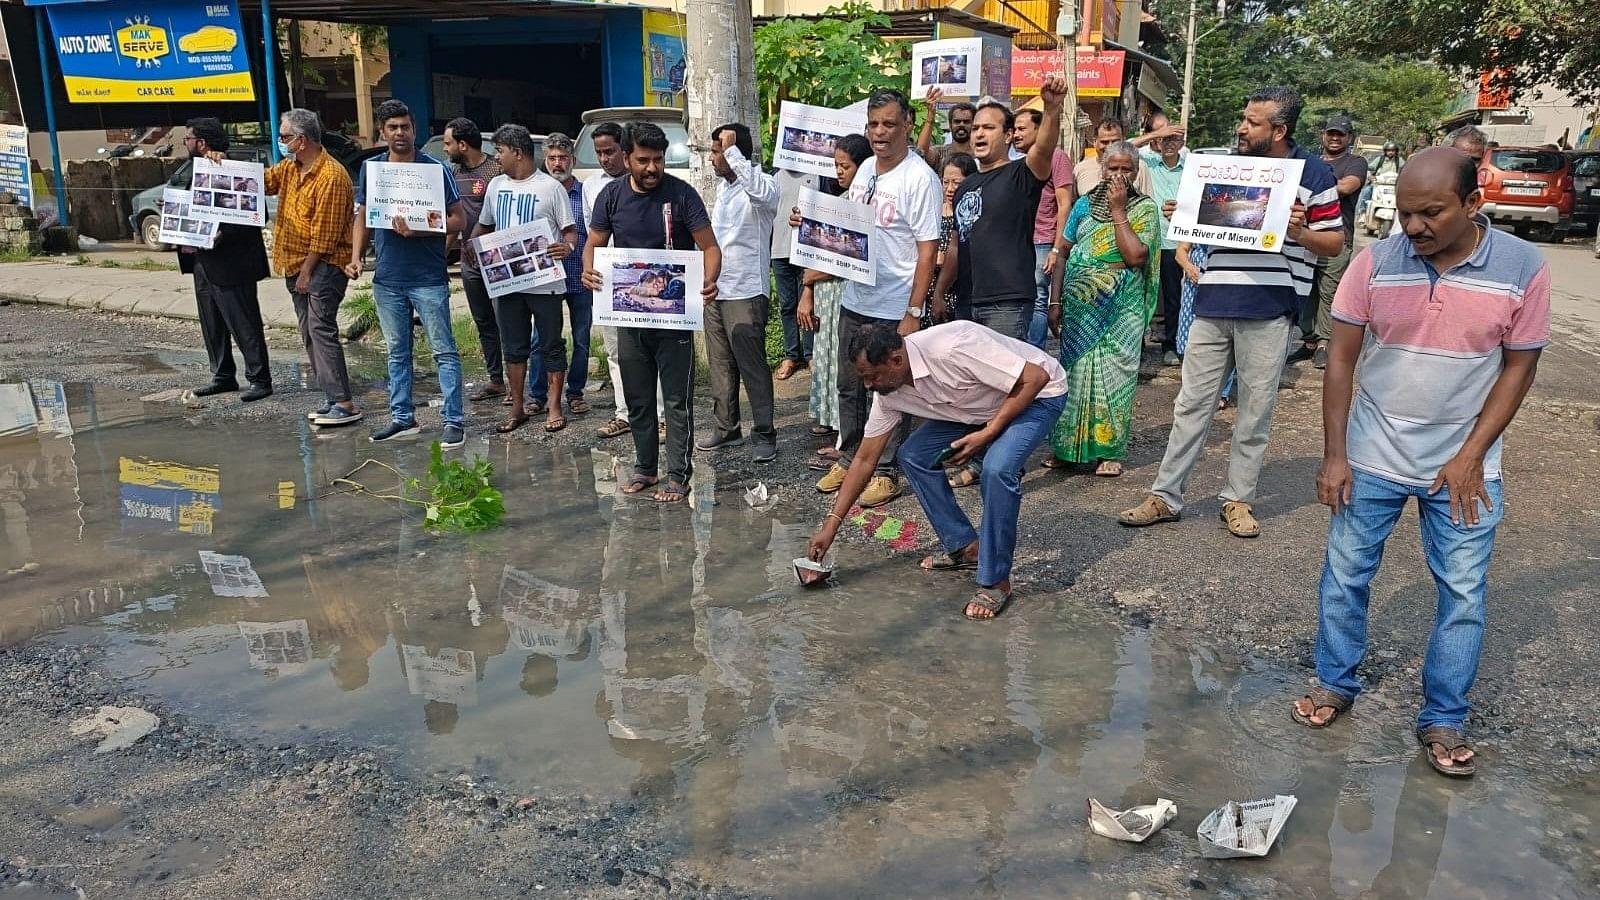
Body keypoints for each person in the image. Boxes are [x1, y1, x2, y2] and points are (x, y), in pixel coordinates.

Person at [1292, 147, 1549, 778]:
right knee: (1345, 575)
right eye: (1405, 214)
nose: (1414, 228)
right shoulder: (1374, 261)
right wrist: (1335, 454)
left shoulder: (1522, 265)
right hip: (1372, 455)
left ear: (1473, 203)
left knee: (1462, 594)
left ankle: (1444, 716)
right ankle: (1335, 683)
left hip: (1464, 469)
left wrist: (1471, 456)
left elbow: (1520, 367)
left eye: (1431, 213)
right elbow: (1343, 361)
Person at [1120, 86, 1344, 539]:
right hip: (1213, 299)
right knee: (1191, 404)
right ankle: (1165, 495)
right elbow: (1205, 224)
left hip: (1270, 305)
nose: (1242, 127)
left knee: (1255, 411)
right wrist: (1183, 213)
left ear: (1279, 130)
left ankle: (1237, 498)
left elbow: (1334, 242)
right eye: (1243, 119)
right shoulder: (1223, 166)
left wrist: (1300, 233)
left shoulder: (1314, 174)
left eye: (1253, 122)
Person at [806, 321, 1067, 621]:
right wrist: (831, 526)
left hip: (1036, 394)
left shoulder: (952, 347)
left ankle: (996, 582)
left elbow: (1036, 376)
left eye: (872, 376)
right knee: (914, 455)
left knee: (997, 469)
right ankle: (964, 547)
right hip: (975, 407)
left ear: (896, 360)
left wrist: (989, 432)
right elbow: (865, 460)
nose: (868, 386)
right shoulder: (889, 393)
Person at [808, 88, 943, 509]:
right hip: (856, 296)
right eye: (873, 124)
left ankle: (885, 471)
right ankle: (849, 458)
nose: (880, 132)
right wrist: (810, 225)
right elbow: (849, 226)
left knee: (889, 391)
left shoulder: (920, 179)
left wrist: (913, 312)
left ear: (907, 123)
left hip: (893, 305)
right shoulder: (865, 169)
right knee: (849, 385)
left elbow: (927, 248)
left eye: (888, 123)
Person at [582, 122, 722, 504]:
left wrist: (709, 280)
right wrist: (588, 269)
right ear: (626, 158)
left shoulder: (682, 195)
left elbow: (709, 247)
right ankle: (646, 467)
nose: (651, 168)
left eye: (657, 160)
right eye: (642, 160)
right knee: (639, 397)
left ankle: (678, 475)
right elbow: (594, 242)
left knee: (677, 399)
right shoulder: (610, 197)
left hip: (675, 319)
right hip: (628, 319)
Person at [349, 99, 467, 448]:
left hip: (428, 276)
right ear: (382, 133)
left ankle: (454, 420)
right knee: (397, 352)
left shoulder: (435, 169)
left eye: (405, 126)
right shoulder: (372, 170)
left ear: (414, 129)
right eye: (393, 128)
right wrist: (356, 256)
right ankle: (402, 418)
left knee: (443, 350)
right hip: (387, 277)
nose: (400, 133)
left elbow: (459, 219)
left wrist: (421, 229)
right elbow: (363, 215)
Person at [1044, 140, 1160, 477]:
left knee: (1114, 377)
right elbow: (1063, 252)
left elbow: (1136, 257)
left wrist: (1119, 211)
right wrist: (1055, 300)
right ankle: (1068, 450)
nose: (1120, 175)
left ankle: (1108, 451)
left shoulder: (1144, 209)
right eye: (1114, 168)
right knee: (1075, 377)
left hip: (1121, 311)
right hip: (1080, 309)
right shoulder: (1081, 206)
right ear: (1102, 169)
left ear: (1136, 172)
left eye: (1127, 169)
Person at [468, 124, 579, 435]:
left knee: (551, 345)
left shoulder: (551, 188)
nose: (496, 158)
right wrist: (470, 246)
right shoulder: (496, 186)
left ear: (517, 153)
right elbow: (485, 225)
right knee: (513, 347)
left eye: (500, 151)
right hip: (507, 283)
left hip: (545, 283)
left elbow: (570, 232)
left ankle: (554, 406)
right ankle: (517, 405)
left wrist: (566, 246)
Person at [259, 108, 360, 427]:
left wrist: (306, 272)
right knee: (308, 332)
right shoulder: (290, 168)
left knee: (320, 329)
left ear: (302, 140)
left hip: (322, 266)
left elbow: (325, 235)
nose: (281, 141)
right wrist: (220, 165)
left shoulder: (331, 176)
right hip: (293, 262)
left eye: (285, 136)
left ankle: (344, 401)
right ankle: (331, 396)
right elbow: (263, 183)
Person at [699, 122, 779, 463]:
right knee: (720, 363)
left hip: (746, 291)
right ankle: (727, 427)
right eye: (716, 152)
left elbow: (762, 194)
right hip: (717, 288)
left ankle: (764, 433)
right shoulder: (725, 191)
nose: (713, 159)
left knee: (752, 366)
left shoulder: (763, 185)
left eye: (717, 152)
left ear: (735, 153)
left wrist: (733, 151)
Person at [179, 117, 271, 403]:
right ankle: (222, 375)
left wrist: (223, 235)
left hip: (233, 261)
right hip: (202, 261)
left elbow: (256, 215)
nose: (186, 144)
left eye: (188, 139)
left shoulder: (236, 172)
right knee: (212, 323)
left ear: (201, 142)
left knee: (243, 322)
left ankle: (260, 379)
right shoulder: (192, 170)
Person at [586, 123, 665, 442]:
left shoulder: (654, 185)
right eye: (599, 153)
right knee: (617, 352)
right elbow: (594, 239)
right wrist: (588, 268)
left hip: (648, 281)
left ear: (626, 151)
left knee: (653, 353)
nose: (605, 158)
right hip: (612, 285)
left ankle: (659, 416)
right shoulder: (594, 187)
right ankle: (625, 413)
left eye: (610, 151)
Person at [798, 134, 872, 450]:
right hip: (825, 293)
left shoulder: (868, 207)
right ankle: (834, 426)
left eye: (846, 166)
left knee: (847, 364)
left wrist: (815, 273)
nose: (839, 172)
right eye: (836, 166)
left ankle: (850, 439)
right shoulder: (833, 205)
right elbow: (815, 253)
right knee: (829, 359)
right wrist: (808, 287)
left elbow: (854, 257)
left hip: (849, 292)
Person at [1292, 114, 1368, 369]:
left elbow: (1347, 187)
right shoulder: (1311, 163)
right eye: (1331, 133)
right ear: (1323, 135)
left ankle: (1324, 343)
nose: (1335, 138)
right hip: (1303, 237)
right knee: (1304, 289)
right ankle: (1309, 340)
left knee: (1329, 292)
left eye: (1341, 134)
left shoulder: (1355, 162)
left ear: (1349, 138)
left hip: (1336, 237)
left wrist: (1317, 187)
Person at [527, 133, 594, 418]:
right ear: (545, 160)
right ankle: (537, 395)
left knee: (581, 338)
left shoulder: (585, 194)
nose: (557, 163)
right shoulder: (537, 193)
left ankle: (575, 393)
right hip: (544, 280)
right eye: (552, 158)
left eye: (563, 158)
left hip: (579, 276)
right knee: (539, 339)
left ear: (572, 160)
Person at [442, 117, 506, 403]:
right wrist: (443, 256)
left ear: (463, 144)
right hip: (468, 263)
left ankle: (520, 383)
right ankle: (496, 380)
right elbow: (452, 221)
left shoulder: (496, 170)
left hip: (497, 260)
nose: (446, 149)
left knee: (508, 322)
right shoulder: (453, 173)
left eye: (448, 143)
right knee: (484, 322)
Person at [1011, 107, 1077, 349]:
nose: (1016, 134)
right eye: (1014, 129)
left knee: (1039, 298)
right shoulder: (1014, 158)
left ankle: (1034, 352)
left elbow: (1064, 203)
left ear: (1040, 130)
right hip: (1018, 240)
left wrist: (1057, 249)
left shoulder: (1057, 157)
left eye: (1022, 129)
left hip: (1042, 240)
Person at [1138, 112, 1189, 365]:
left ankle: (1171, 344)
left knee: (1173, 297)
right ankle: (1138, 345)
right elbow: (1122, 148)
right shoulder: (1146, 160)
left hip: (1176, 242)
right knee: (1142, 294)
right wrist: (1154, 135)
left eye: (1173, 137)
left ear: (1182, 140)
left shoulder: (1192, 165)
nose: (1167, 141)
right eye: (1162, 137)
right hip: (1147, 239)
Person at [771, 166, 820, 382]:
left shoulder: (817, 175)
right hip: (779, 250)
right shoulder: (774, 178)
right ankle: (791, 355)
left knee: (809, 305)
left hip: (807, 251)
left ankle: (810, 353)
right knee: (787, 306)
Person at [1074, 118, 1157, 196]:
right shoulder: (1080, 169)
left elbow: (1149, 204)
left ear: (1123, 140)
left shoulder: (1139, 167)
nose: (1110, 146)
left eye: (1115, 141)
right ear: (1094, 142)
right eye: (1105, 142)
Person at [916, 87, 977, 170]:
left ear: (974, 124)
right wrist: (930, 115)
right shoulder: (940, 153)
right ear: (950, 124)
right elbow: (922, 150)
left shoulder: (980, 154)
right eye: (957, 121)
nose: (961, 125)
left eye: (966, 122)